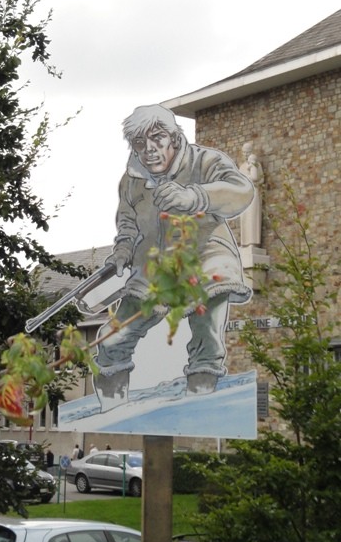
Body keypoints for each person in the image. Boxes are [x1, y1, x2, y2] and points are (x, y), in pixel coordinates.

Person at [94, 104, 254, 410]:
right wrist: (123, 251)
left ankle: (201, 405)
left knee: (207, 335)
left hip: (206, 259)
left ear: (175, 138)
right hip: (152, 267)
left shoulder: (206, 161)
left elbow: (241, 191)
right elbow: (127, 223)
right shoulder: (131, 180)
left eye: (157, 138)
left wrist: (195, 196)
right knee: (113, 339)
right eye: (140, 143)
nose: (149, 149)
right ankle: (111, 410)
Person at [238, 142, 264, 247]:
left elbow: (261, 179)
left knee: (252, 217)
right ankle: (244, 243)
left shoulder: (256, 164)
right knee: (244, 218)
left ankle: (253, 242)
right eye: (244, 152)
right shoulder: (242, 167)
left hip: (253, 193)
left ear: (251, 152)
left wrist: (253, 181)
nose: (245, 154)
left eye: (247, 152)